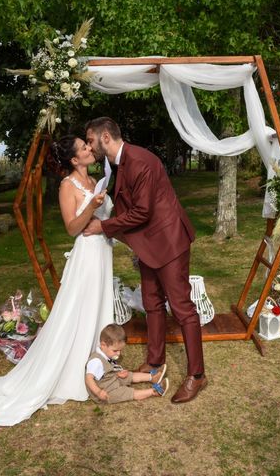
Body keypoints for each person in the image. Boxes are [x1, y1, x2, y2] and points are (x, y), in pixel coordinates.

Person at [0, 135, 114, 426]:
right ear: (74, 160)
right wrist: (92, 206)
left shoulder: (95, 181)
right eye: (84, 147)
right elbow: (72, 227)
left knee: (98, 305)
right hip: (86, 253)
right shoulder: (67, 186)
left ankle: (97, 363)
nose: (90, 148)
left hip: (103, 251)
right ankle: (73, 369)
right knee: (79, 311)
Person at [83, 117, 207, 403]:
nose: (89, 146)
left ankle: (197, 376)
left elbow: (142, 212)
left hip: (169, 242)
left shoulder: (139, 160)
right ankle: (154, 363)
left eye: (90, 140)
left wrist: (103, 226)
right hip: (149, 246)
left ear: (104, 138)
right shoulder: (121, 163)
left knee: (182, 309)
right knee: (151, 304)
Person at [85, 324, 169, 403]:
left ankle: (153, 377)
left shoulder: (106, 354)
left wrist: (118, 374)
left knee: (130, 375)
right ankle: (154, 392)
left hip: (112, 379)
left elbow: (106, 372)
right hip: (106, 391)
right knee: (127, 393)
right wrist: (99, 392)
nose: (118, 354)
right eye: (115, 350)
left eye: (120, 350)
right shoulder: (96, 361)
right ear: (103, 345)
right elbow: (89, 379)